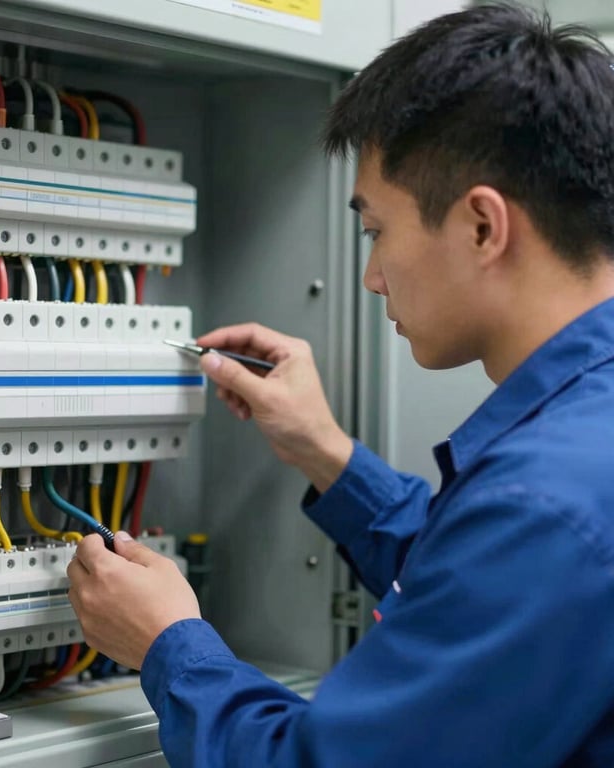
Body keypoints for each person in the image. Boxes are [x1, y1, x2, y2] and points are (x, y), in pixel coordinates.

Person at [67, 4, 614, 765]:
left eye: (376, 231)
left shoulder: (546, 501)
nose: (370, 277)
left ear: (483, 226)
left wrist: (168, 643)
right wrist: (326, 453)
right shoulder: (585, 443)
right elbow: (485, 594)